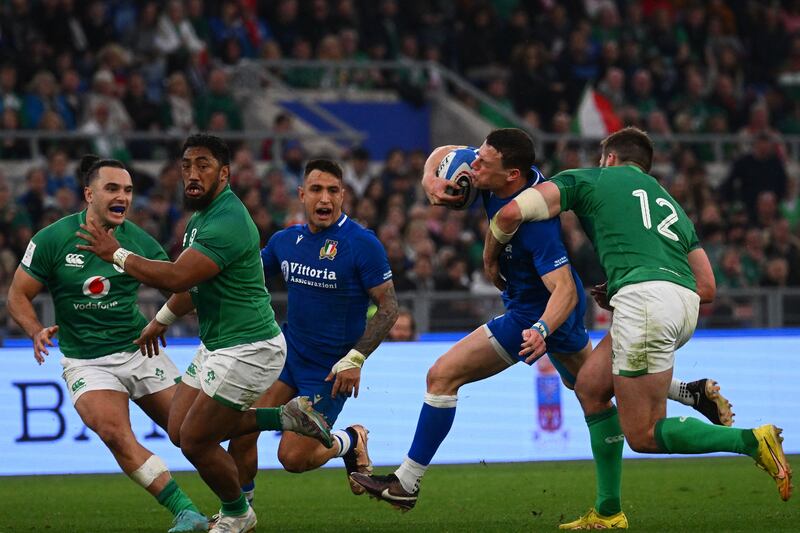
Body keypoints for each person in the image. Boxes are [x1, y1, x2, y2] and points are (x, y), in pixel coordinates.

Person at [350, 130, 733, 524]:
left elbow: (565, 290)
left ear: (511, 175)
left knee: (442, 375)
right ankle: (688, 394)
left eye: (482, 162)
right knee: (591, 385)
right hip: (534, 307)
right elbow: (443, 152)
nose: (474, 165)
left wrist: (541, 329)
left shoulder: (537, 225)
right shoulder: (490, 167)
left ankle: (407, 483)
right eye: (477, 158)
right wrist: (431, 178)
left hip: (537, 313)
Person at [484, 127, 792, 519]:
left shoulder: (589, 179)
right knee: (591, 387)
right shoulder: (670, 205)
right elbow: (708, 287)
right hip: (681, 305)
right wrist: (621, 289)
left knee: (644, 435)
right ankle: (608, 511)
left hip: (644, 302)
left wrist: (490, 257)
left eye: (602, 160)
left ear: (610, 158)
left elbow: (511, 212)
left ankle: (751, 441)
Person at [76, 134, 332, 533]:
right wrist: (160, 319)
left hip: (249, 347)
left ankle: (237, 513)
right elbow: (193, 288)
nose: (192, 174)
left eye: (203, 165)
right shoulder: (202, 217)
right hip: (218, 345)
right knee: (179, 431)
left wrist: (117, 254)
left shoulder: (227, 220)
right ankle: (284, 416)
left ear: (224, 173)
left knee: (197, 441)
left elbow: (178, 275)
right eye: (186, 166)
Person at [6, 155, 207, 533]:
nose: (123, 197)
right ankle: (186, 511)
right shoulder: (52, 239)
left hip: (140, 350)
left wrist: (169, 318)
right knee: (113, 432)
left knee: (192, 434)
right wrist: (35, 329)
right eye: (113, 188)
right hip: (87, 361)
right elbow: (17, 295)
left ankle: (239, 503)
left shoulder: (137, 240)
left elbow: (179, 288)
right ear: (89, 194)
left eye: (128, 190)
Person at [223, 158, 399, 506]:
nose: (325, 199)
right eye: (316, 190)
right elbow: (245, 278)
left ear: (343, 195)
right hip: (286, 356)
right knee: (241, 432)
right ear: (301, 195)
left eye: (333, 190)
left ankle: (350, 439)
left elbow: (389, 307)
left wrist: (355, 359)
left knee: (293, 459)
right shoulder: (286, 240)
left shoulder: (361, 243)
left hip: (330, 370)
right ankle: (239, 515)